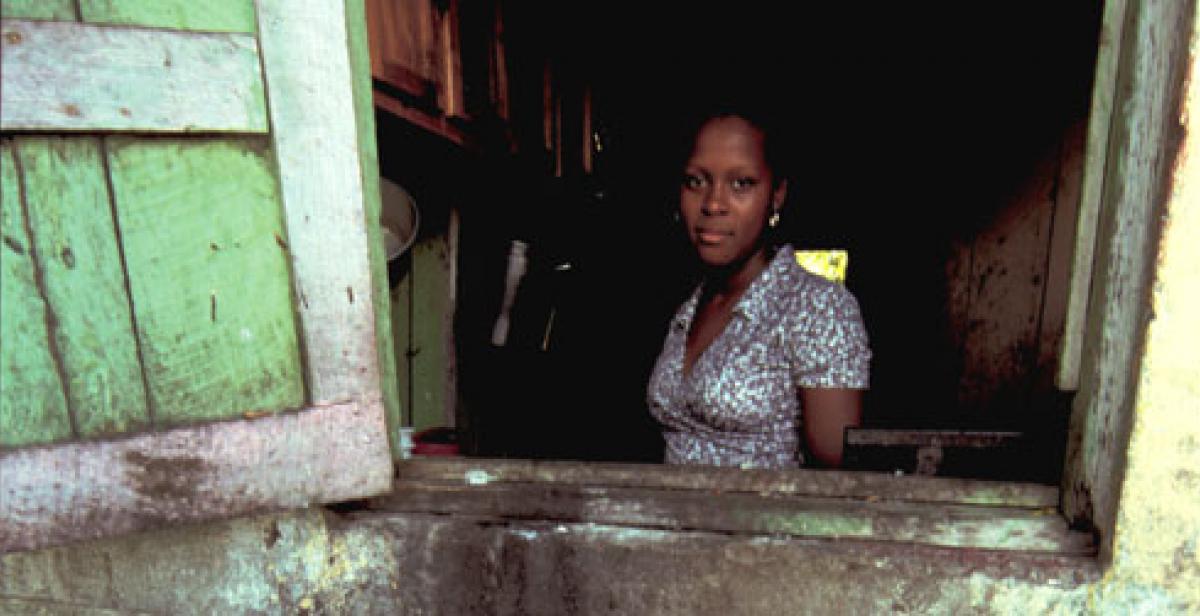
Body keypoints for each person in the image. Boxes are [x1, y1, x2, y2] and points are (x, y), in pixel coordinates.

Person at [646, 102, 871, 470]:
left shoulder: (817, 306)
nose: (713, 203)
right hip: (670, 521)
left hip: (762, 524)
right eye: (696, 181)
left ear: (776, 196)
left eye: (741, 184)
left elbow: (839, 477)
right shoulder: (692, 302)